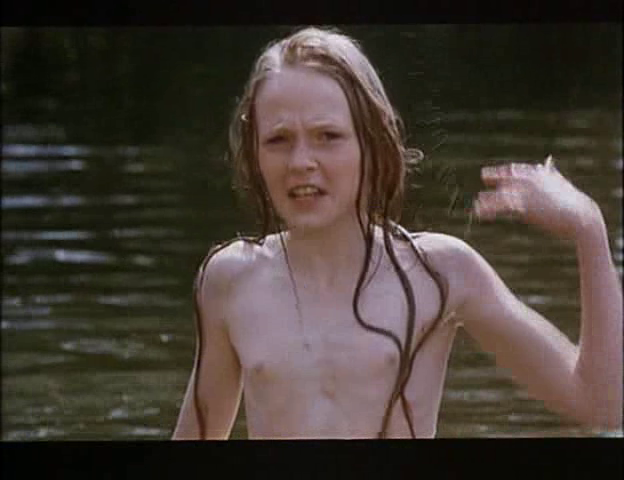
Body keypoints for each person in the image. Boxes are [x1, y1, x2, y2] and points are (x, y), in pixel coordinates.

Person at [172, 26, 622, 439]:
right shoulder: (230, 280)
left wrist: (589, 228)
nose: (301, 162)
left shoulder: (439, 273)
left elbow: (601, 405)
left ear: (371, 144)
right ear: (254, 156)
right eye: (278, 140)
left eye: (328, 136)